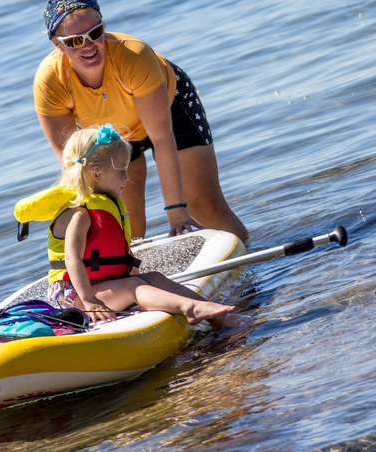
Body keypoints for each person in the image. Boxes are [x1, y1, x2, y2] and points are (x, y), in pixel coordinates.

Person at [34, 0, 248, 241]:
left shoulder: (134, 55)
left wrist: (176, 211)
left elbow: (162, 138)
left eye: (95, 33)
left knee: (204, 205)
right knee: (127, 227)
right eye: (74, 41)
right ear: (57, 44)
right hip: (110, 135)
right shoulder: (50, 81)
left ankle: (254, 253)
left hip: (171, 108)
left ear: (104, 27)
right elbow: (70, 163)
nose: (88, 45)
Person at [15, 124, 236, 330]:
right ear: (97, 174)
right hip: (73, 296)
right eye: (121, 171)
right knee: (133, 288)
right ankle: (191, 309)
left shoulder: (103, 205)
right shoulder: (80, 214)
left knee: (155, 278)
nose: (127, 177)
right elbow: (72, 260)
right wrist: (90, 301)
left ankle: (219, 316)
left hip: (100, 284)